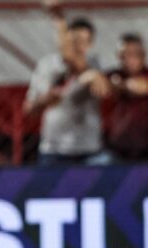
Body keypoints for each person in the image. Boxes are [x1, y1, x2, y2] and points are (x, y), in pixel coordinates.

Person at [23, 0, 111, 166]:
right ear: (65, 41)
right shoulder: (47, 65)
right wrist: (44, 100)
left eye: (83, 42)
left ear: (91, 44)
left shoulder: (95, 64)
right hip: (53, 150)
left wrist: (58, 18)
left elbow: (104, 89)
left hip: (89, 151)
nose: (78, 47)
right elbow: (28, 109)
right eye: (73, 41)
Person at [106, 33, 148, 162]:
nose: (131, 59)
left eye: (135, 54)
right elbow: (108, 87)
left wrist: (123, 85)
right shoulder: (113, 74)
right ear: (119, 56)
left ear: (143, 55)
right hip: (117, 149)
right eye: (126, 54)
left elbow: (141, 86)